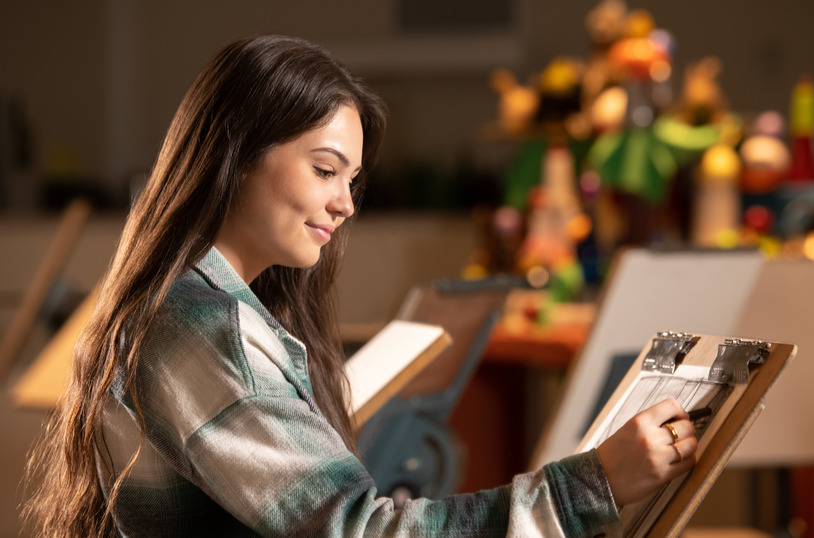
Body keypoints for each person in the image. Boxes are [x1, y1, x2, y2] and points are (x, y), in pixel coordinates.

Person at [23, 35, 698, 537]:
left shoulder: (201, 308)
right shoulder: (199, 324)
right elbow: (358, 530)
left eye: (352, 181)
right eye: (324, 169)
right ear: (236, 154)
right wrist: (594, 484)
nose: (345, 204)